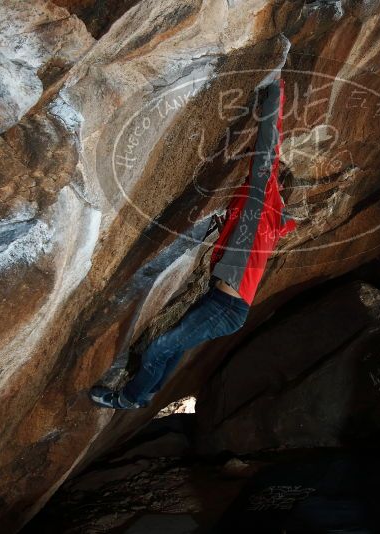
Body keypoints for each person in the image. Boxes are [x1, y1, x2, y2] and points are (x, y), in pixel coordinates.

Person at [90, 74, 295, 409]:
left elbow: (270, 143)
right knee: (174, 346)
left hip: (226, 306)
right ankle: (150, 388)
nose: (254, 165)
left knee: (159, 348)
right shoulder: (264, 215)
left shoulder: (265, 196)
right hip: (224, 300)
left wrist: (276, 88)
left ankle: (128, 398)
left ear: (277, 183)